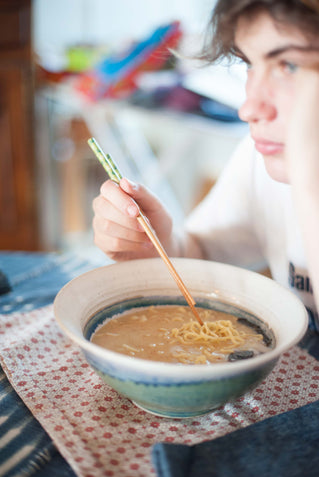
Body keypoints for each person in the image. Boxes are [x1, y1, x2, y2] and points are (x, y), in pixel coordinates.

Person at [92, 0, 319, 331]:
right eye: (249, 64)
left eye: (289, 66)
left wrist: (309, 177)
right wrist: (159, 245)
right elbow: (202, 251)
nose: (249, 108)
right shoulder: (261, 161)